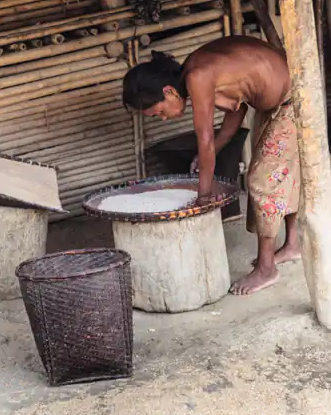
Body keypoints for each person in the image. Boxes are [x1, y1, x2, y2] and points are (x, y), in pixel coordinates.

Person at [122, 35, 300, 295]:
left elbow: (203, 139)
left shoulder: (197, 77)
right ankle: (292, 246)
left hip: (291, 100)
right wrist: (213, 149)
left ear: (169, 92)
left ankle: (266, 269)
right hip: (278, 101)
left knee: (262, 181)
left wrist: (202, 196)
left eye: (159, 112)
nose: (162, 119)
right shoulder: (195, 70)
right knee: (281, 174)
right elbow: (236, 109)